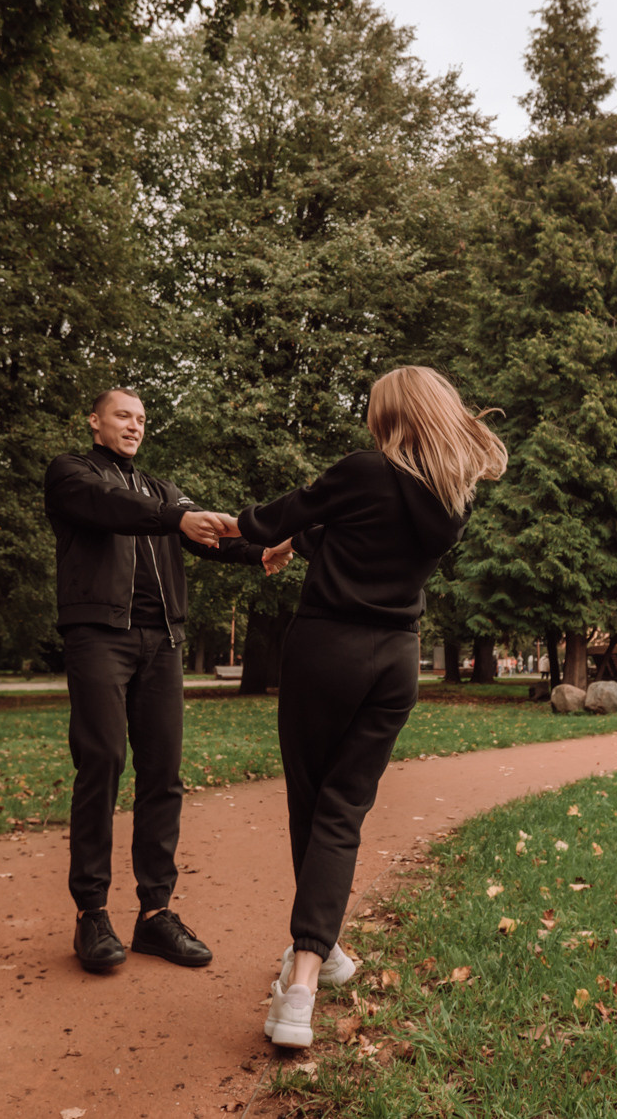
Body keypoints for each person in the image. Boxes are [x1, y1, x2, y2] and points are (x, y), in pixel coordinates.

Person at [236, 366, 505, 1047]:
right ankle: (320, 955)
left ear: (392, 415)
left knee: (311, 800)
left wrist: (239, 527)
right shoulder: (452, 497)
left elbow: (288, 512)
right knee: (343, 810)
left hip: (327, 649)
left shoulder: (363, 470)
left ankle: (301, 981)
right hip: (395, 663)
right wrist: (299, 542)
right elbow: (350, 533)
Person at [45, 388, 292, 973]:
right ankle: (91, 914)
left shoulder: (161, 490)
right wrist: (176, 515)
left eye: (141, 419)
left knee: (163, 774)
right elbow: (111, 507)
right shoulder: (72, 474)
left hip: (162, 641)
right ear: (95, 421)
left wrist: (258, 550)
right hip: (99, 636)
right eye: (122, 416)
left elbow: (205, 532)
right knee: (103, 761)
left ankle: (155, 914)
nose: (134, 426)